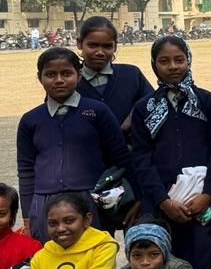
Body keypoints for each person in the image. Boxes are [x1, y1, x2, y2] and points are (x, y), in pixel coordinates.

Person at [130, 36, 211, 269]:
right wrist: (163, 201)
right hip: (161, 203)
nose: (173, 66)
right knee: (161, 262)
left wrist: (207, 195)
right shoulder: (144, 108)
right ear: (154, 65)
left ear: (188, 61)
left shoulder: (207, 102)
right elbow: (141, 158)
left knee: (200, 264)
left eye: (179, 60)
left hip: (202, 203)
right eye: (164, 61)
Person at [16, 46, 129, 241]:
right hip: (45, 203)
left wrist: (130, 199)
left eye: (66, 73)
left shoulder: (97, 112)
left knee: (93, 254)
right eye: (50, 74)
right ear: (40, 77)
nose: (59, 80)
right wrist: (28, 215)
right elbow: (26, 170)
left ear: (79, 75)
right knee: (50, 256)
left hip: (91, 201)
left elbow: (120, 157)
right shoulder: (30, 120)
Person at [74, 16, 154, 135]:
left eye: (107, 46)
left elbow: (153, 102)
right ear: (79, 44)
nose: (100, 52)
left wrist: (131, 120)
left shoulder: (131, 75)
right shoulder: (68, 82)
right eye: (93, 45)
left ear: (115, 46)